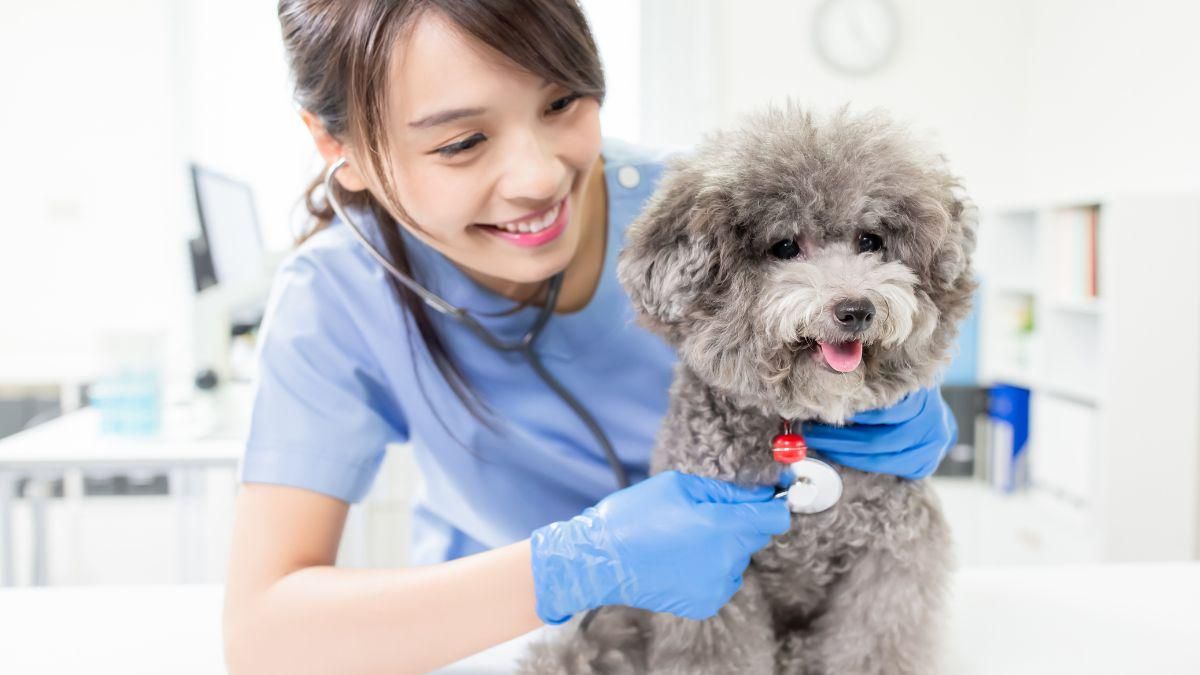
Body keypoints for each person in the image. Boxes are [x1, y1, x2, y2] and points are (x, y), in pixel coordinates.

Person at [222, 2, 958, 673]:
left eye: (562, 101)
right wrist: (574, 566)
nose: (539, 177)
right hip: (498, 638)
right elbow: (264, 637)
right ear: (332, 141)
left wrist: (904, 391)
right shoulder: (334, 299)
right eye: (463, 141)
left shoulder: (701, 206)